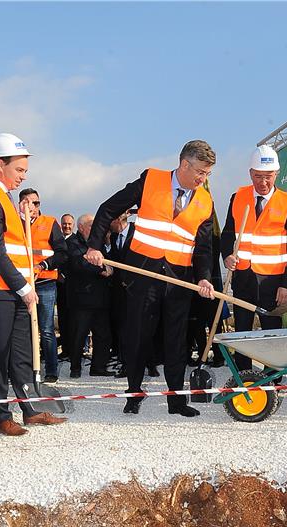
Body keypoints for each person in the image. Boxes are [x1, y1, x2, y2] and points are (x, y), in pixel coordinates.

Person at [85, 140, 216, 417]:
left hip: (179, 279)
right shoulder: (150, 180)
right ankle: (134, 394)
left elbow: (203, 248)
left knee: (176, 341)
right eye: (201, 173)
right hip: (141, 276)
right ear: (184, 164)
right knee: (136, 336)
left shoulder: (205, 201)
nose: (203, 179)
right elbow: (108, 208)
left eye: (207, 174)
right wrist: (94, 246)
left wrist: (204, 278)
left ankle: (176, 401)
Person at [0, 133, 67, 436]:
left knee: (20, 352)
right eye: (19, 170)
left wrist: (22, 287)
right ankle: (0, 416)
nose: (23, 177)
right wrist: (23, 287)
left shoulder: (2, 198)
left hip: (12, 290)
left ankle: (29, 409)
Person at [219, 145, 287, 372]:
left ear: (276, 174)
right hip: (243, 277)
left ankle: (272, 376)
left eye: (267, 177)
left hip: (273, 282)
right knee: (243, 331)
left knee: (271, 331)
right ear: (250, 173)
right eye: (257, 176)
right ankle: (243, 375)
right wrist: (227, 255)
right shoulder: (238, 197)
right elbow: (227, 233)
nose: (262, 182)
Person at [18, 188, 68, 383]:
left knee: (46, 329)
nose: (35, 207)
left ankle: (51, 371)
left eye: (37, 203)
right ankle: (27, 370)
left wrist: (43, 264)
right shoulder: (14, 224)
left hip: (45, 282)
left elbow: (62, 252)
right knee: (24, 329)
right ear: (22, 204)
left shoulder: (49, 222)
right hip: (22, 284)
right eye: (30, 203)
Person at [66, 214, 113, 378]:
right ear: (81, 227)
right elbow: (79, 263)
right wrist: (101, 270)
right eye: (91, 225)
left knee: (103, 335)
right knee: (79, 335)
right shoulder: (72, 243)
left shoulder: (98, 243)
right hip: (82, 299)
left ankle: (98, 367)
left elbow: (109, 260)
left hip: (101, 298)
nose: (95, 228)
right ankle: (75, 367)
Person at [56, 213, 75, 363]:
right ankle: (66, 349)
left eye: (69, 224)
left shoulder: (76, 241)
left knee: (72, 320)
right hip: (60, 286)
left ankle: (74, 350)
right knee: (62, 319)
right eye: (64, 224)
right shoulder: (57, 241)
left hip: (73, 287)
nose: (66, 226)